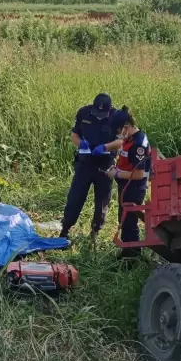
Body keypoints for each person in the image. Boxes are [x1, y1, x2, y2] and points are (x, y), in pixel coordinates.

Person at [92, 106, 152, 258]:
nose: (119, 136)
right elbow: (126, 158)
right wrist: (116, 166)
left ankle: (131, 256)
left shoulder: (138, 144)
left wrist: (117, 173)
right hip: (126, 185)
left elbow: (139, 174)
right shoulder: (130, 138)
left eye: (119, 132)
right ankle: (127, 251)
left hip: (134, 188)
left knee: (129, 222)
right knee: (124, 219)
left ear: (126, 127)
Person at [60, 93, 116, 240]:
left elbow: (122, 142)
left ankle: (95, 232)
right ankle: (65, 229)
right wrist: (80, 143)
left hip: (105, 163)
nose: (99, 115)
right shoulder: (83, 112)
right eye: (97, 112)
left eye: (102, 113)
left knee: (102, 200)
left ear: (109, 110)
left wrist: (105, 147)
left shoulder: (117, 118)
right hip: (85, 162)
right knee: (76, 196)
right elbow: (74, 134)